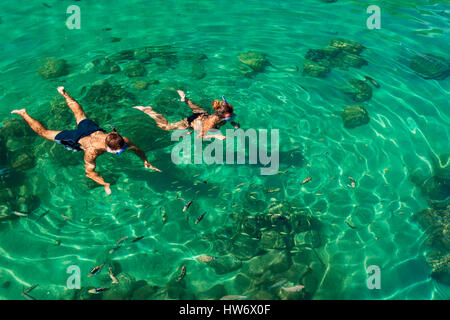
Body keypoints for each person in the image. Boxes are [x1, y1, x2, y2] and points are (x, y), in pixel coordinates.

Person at [11, 87, 161, 195]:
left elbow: (136, 149)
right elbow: (89, 172)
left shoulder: (123, 140)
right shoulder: (92, 152)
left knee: (79, 113)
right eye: (118, 152)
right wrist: (105, 184)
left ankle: (64, 92)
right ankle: (24, 113)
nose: (120, 152)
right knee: (44, 133)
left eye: (121, 150)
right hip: (78, 138)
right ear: (108, 147)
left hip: (92, 130)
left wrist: (145, 161)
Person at [133, 90, 240, 140]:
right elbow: (200, 136)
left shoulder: (227, 114)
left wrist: (233, 123)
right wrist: (215, 136)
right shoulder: (211, 122)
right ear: (224, 114)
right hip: (192, 122)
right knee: (165, 127)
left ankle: (184, 99)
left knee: (195, 108)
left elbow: (230, 118)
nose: (232, 115)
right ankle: (149, 111)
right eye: (230, 115)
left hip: (203, 114)